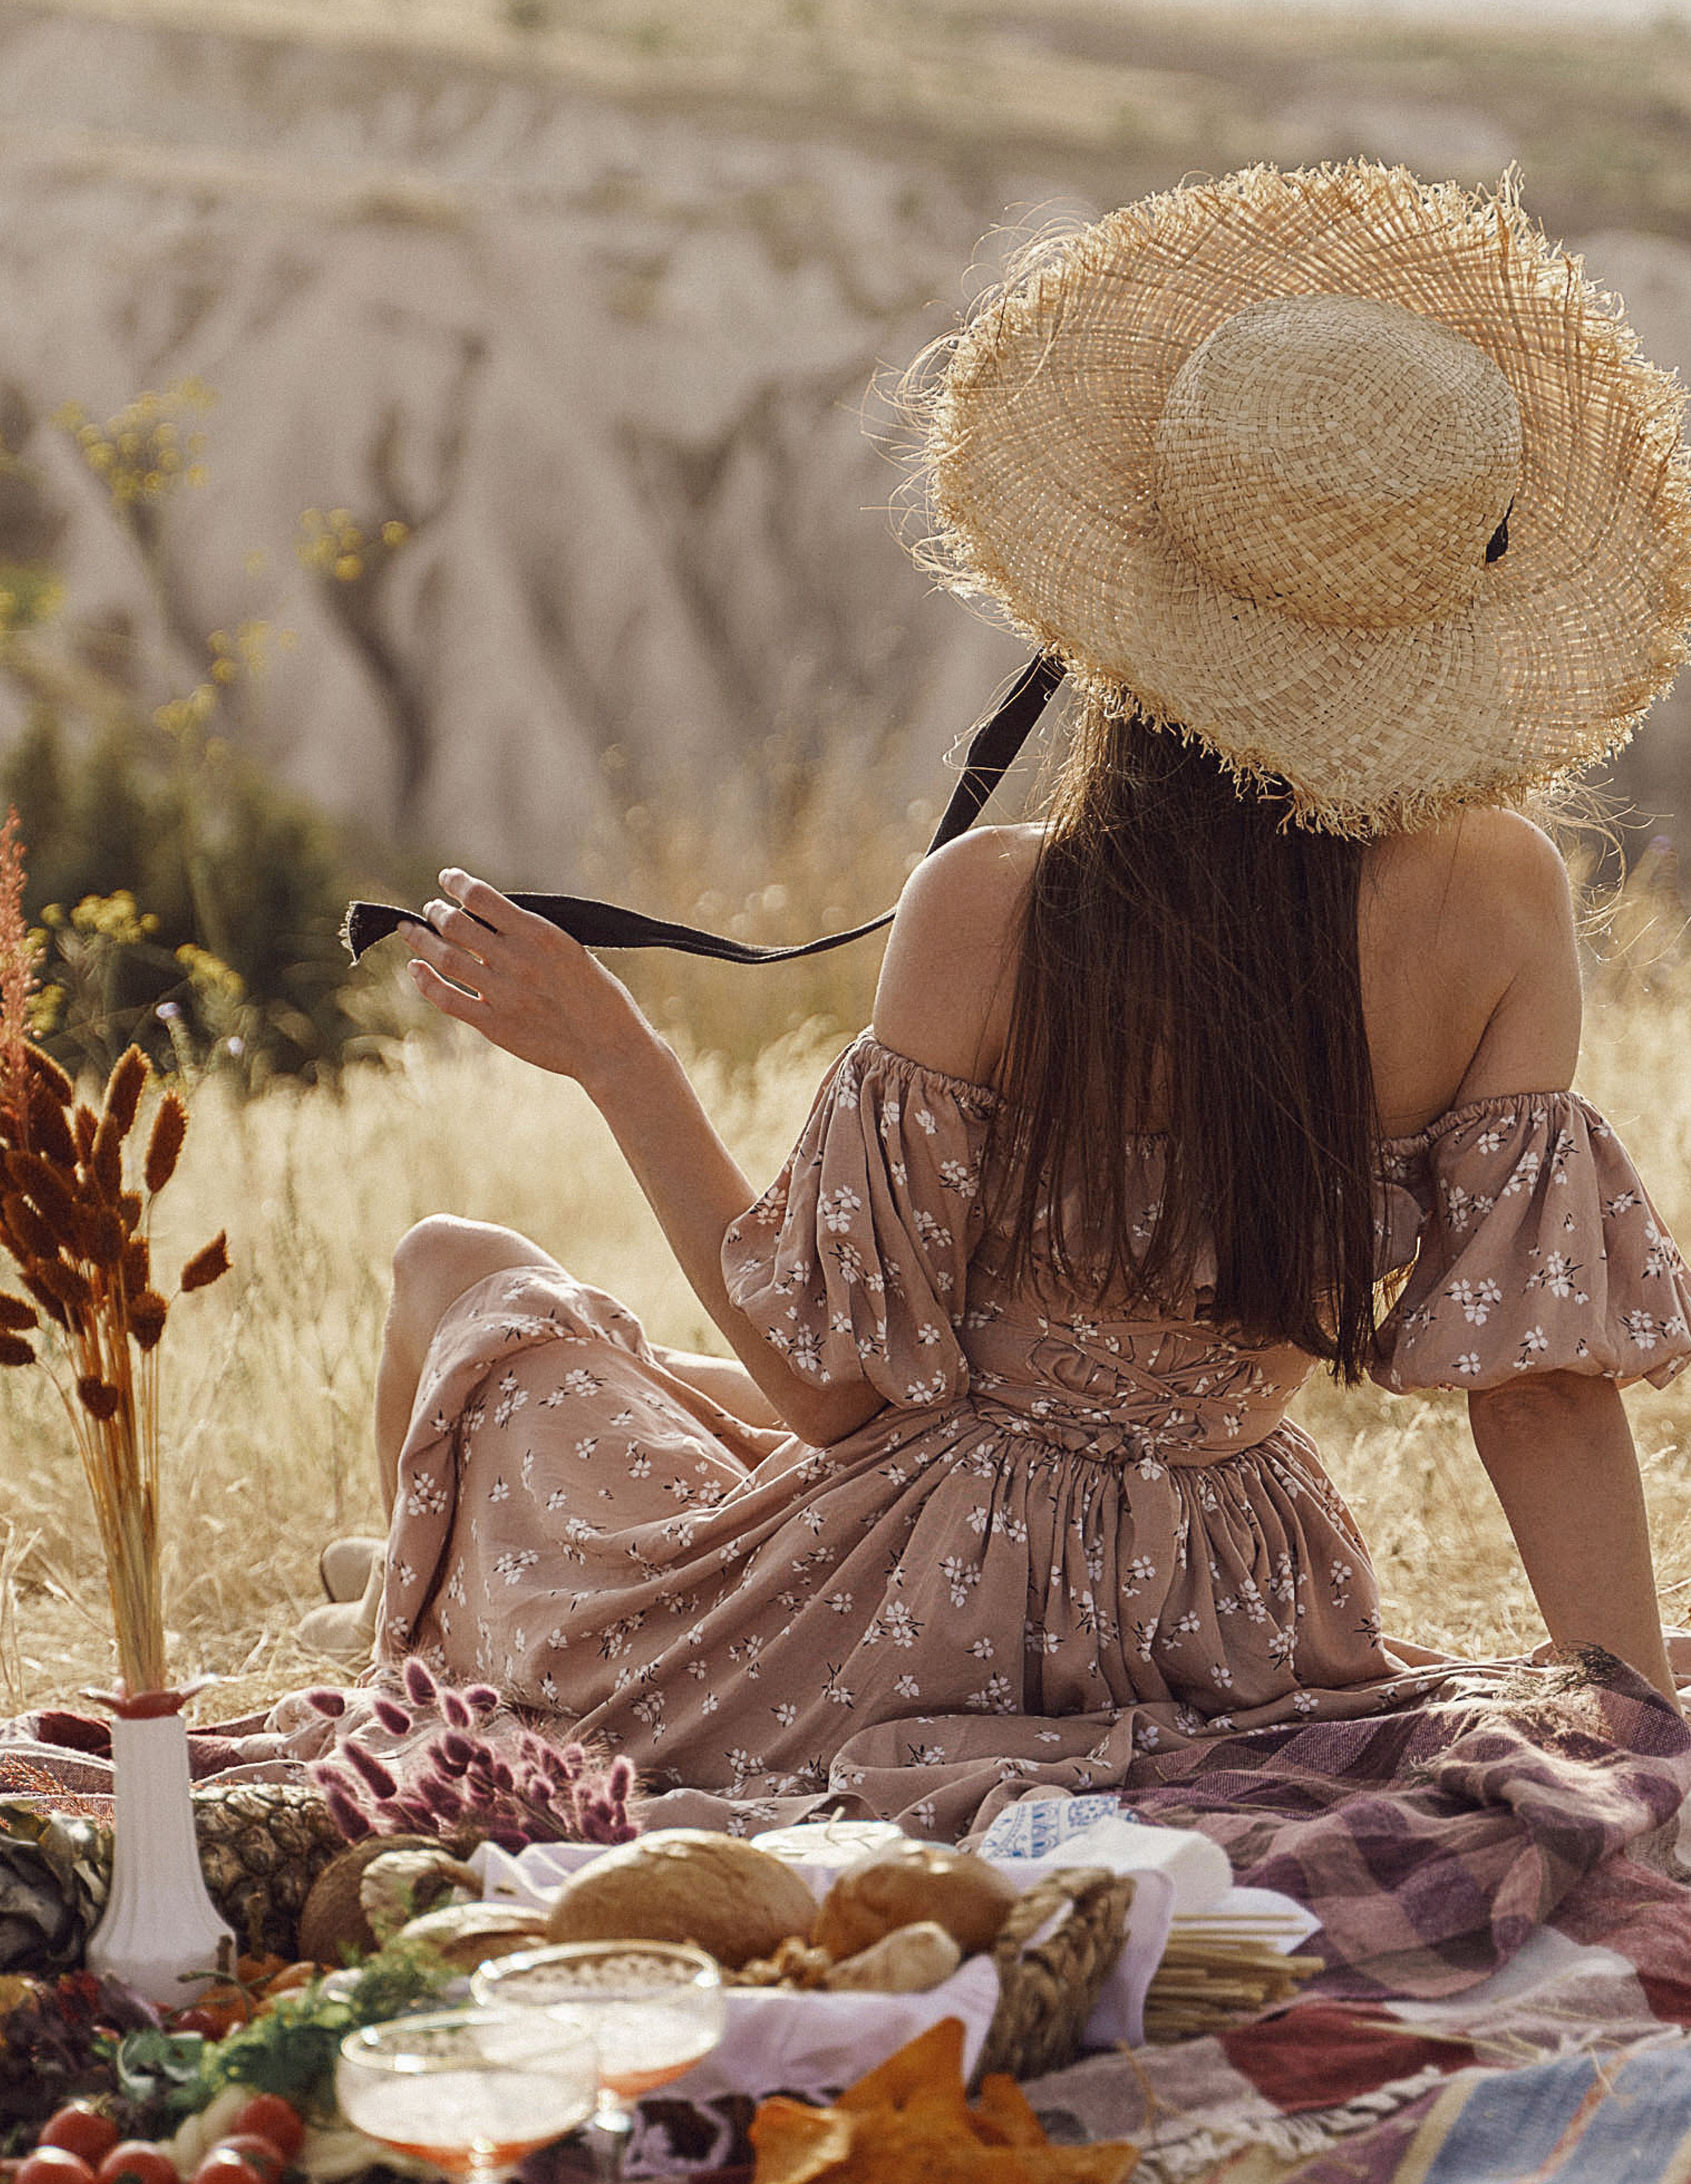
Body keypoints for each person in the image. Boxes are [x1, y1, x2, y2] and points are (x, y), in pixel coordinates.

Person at [308, 161, 1691, 1842]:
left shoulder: (1003, 905)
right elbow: (1535, 1387)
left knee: (463, 1275)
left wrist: (617, 1056)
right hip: (1241, 1611)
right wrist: (1633, 1741)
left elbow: (836, 1397)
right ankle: (380, 1579)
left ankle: (393, 1620)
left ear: (1124, 590)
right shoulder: (1499, 897)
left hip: (923, 1606)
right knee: (664, 1380)